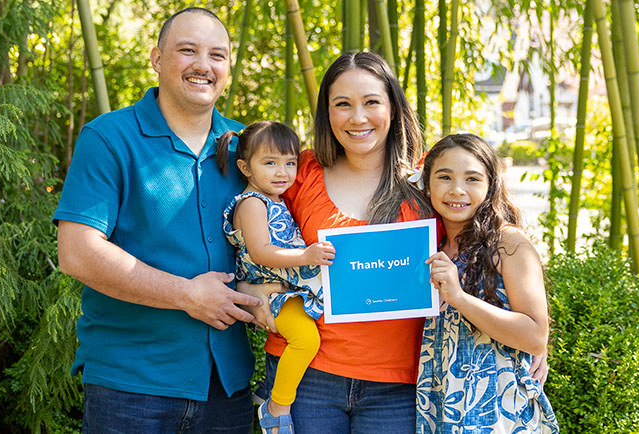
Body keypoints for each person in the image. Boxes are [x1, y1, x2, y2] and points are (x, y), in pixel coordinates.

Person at [54, 7, 276, 433]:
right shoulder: (108, 138)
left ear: (228, 67)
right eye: (187, 51)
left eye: (217, 55)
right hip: (130, 385)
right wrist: (187, 295)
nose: (203, 66)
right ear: (157, 59)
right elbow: (77, 253)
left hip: (224, 385)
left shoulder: (248, 150)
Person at [239, 52, 435, 434]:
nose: (357, 117)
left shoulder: (429, 179)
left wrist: (531, 326)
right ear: (326, 114)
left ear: (393, 107)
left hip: (398, 382)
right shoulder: (298, 172)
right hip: (305, 375)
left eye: (371, 102)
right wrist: (248, 289)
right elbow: (246, 240)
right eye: (342, 104)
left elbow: (492, 236)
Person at [417, 133, 559, 433]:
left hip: (500, 412)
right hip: (440, 408)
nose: (457, 190)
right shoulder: (427, 247)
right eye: (444, 177)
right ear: (427, 184)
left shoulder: (508, 243)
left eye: (472, 179)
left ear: (490, 185)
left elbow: (535, 337)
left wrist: (459, 297)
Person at [217, 121, 336, 434]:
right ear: (245, 167)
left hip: (283, 289)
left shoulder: (276, 199)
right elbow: (260, 251)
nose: (282, 172)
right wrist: (306, 256)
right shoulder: (253, 203)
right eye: (270, 163)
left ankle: (267, 387)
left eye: (290, 163)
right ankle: (276, 405)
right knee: (305, 340)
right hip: (271, 294)